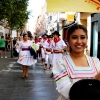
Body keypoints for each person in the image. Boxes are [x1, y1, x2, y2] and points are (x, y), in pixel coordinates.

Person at [52, 24, 100, 100]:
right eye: (74, 37)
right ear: (68, 40)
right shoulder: (61, 63)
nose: (79, 41)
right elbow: (68, 92)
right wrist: (95, 79)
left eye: (83, 37)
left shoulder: (96, 62)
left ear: (87, 39)